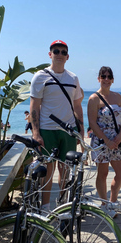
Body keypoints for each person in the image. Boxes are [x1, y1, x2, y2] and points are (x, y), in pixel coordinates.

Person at [30, 39, 84, 214]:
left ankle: (62, 205)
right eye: (56, 51)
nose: (59, 54)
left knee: (66, 169)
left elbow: (77, 106)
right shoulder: (40, 76)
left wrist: (81, 132)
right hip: (47, 129)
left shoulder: (73, 78)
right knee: (48, 169)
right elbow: (34, 106)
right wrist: (36, 133)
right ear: (50, 54)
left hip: (68, 131)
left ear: (67, 56)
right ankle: (45, 207)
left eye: (63, 52)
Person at [88, 66, 121, 218]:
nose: (106, 79)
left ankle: (113, 201)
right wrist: (106, 140)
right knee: (103, 173)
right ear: (98, 79)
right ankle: (104, 205)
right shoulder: (94, 98)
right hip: (101, 141)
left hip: (116, 140)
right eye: (103, 76)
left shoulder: (117, 97)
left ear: (112, 80)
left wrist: (120, 135)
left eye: (108, 77)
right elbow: (92, 122)